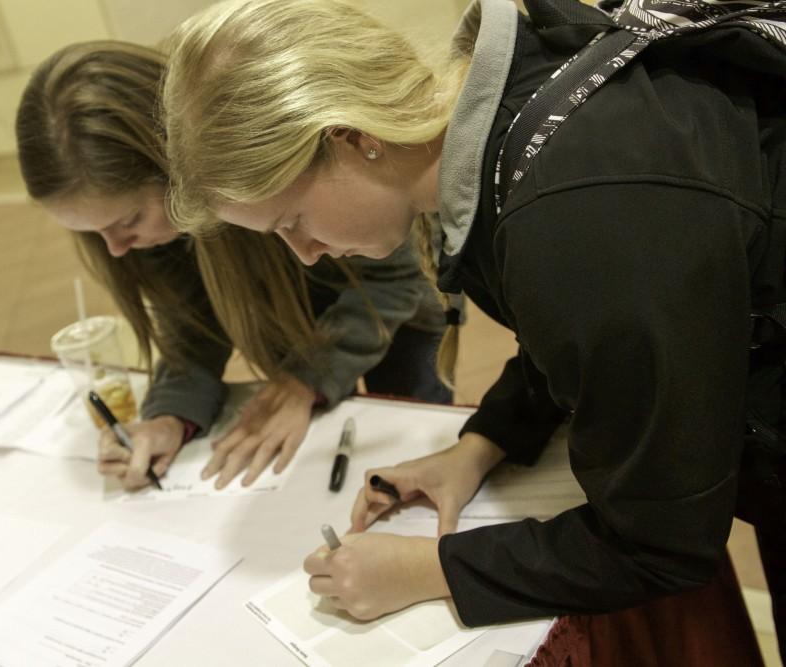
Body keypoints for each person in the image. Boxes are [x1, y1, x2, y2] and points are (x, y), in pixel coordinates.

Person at [160, 0, 786, 656]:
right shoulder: (520, 104)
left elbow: (661, 542)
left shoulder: (575, 214)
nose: (306, 253)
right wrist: (484, 442)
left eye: (292, 220)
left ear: (350, 135)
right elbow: (590, 331)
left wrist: (428, 569)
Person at [15, 40, 454, 492]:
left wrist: (306, 378)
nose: (117, 250)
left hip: (402, 307)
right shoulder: (151, 232)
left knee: (411, 441)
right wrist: (170, 415)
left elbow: (396, 278)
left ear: (173, 169)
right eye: (94, 233)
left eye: (127, 221)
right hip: (314, 322)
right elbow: (191, 327)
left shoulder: (259, 156)